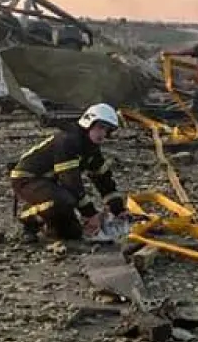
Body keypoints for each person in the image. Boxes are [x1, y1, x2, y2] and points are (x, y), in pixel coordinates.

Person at [9, 103, 126, 241]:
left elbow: (103, 180)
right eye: (100, 127)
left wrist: (118, 210)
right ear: (88, 123)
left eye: (107, 130)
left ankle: (49, 225)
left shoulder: (91, 148)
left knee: (73, 234)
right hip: (26, 179)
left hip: (50, 182)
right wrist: (90, 214)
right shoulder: (68, 141)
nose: (103, 133)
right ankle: (28, 218)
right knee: (64, 201)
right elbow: (70, 181)